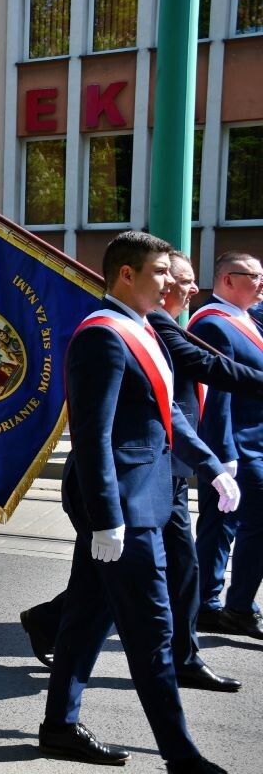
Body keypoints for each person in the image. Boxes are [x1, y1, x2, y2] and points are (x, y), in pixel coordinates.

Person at [38, 232, 234, 773]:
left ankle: (59, 727)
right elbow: (93, 436)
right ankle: (181, 757)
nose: (170, 281)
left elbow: (167, 416)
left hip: (145, 499)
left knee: (85, 617)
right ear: (127, 274)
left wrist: (212, 467)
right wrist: (108, 519)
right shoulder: (103, 335)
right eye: (160, 271)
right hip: (126, 508)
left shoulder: (143, 328)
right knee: (153, 633)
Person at [19, 250, 256, 692]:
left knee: (171, 572)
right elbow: (207, 368)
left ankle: (176, 660)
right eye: (174, 277)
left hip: (166, 469)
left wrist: (208, 462)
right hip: (132, 480)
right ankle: (139, 679)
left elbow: (174, 409)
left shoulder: (156, 323)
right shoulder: (140, 325)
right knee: (113, 588)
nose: (187, 288)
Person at [188, 251, 263, 641]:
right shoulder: (213, 323)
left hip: (255, 441)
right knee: (247, 522)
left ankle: (208, 602)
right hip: (238, 446)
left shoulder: (247, 317)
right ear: (227, 279)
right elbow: (216, 394)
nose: (261, 284)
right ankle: (237, 607)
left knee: (222, 524)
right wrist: (224, 454)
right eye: (254, 276)